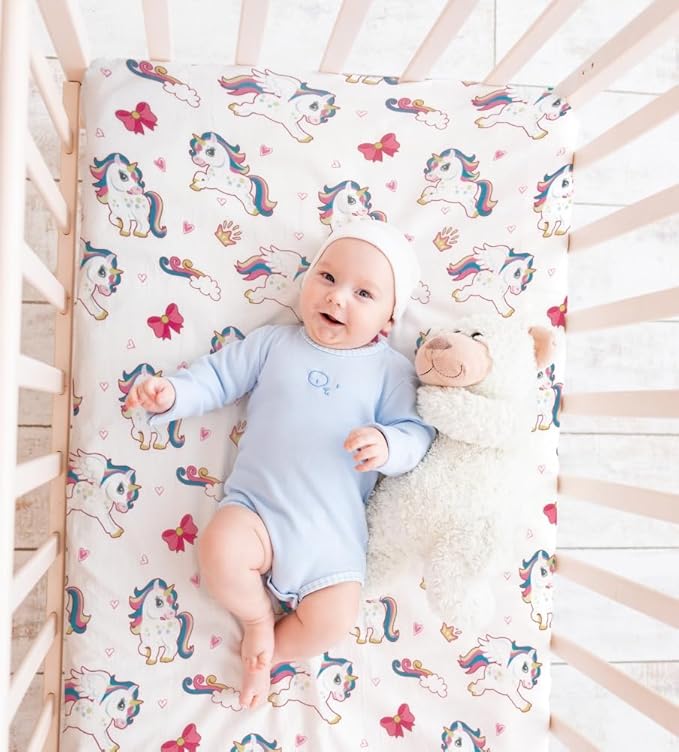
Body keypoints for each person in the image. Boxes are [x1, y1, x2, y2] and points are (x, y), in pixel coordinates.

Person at [123, 220, 435, 708]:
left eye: (363, 294)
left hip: (331, 538)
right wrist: (174, 395)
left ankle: (270, 655)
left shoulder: (389, 371)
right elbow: (216, 379)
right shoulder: (274, 344)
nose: (337, 297)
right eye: (327, 277)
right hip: (258, 511)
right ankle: (257, 620)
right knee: (220, 551)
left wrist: (388, 444)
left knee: (333, 620)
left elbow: (417, 435)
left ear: (388, 320)